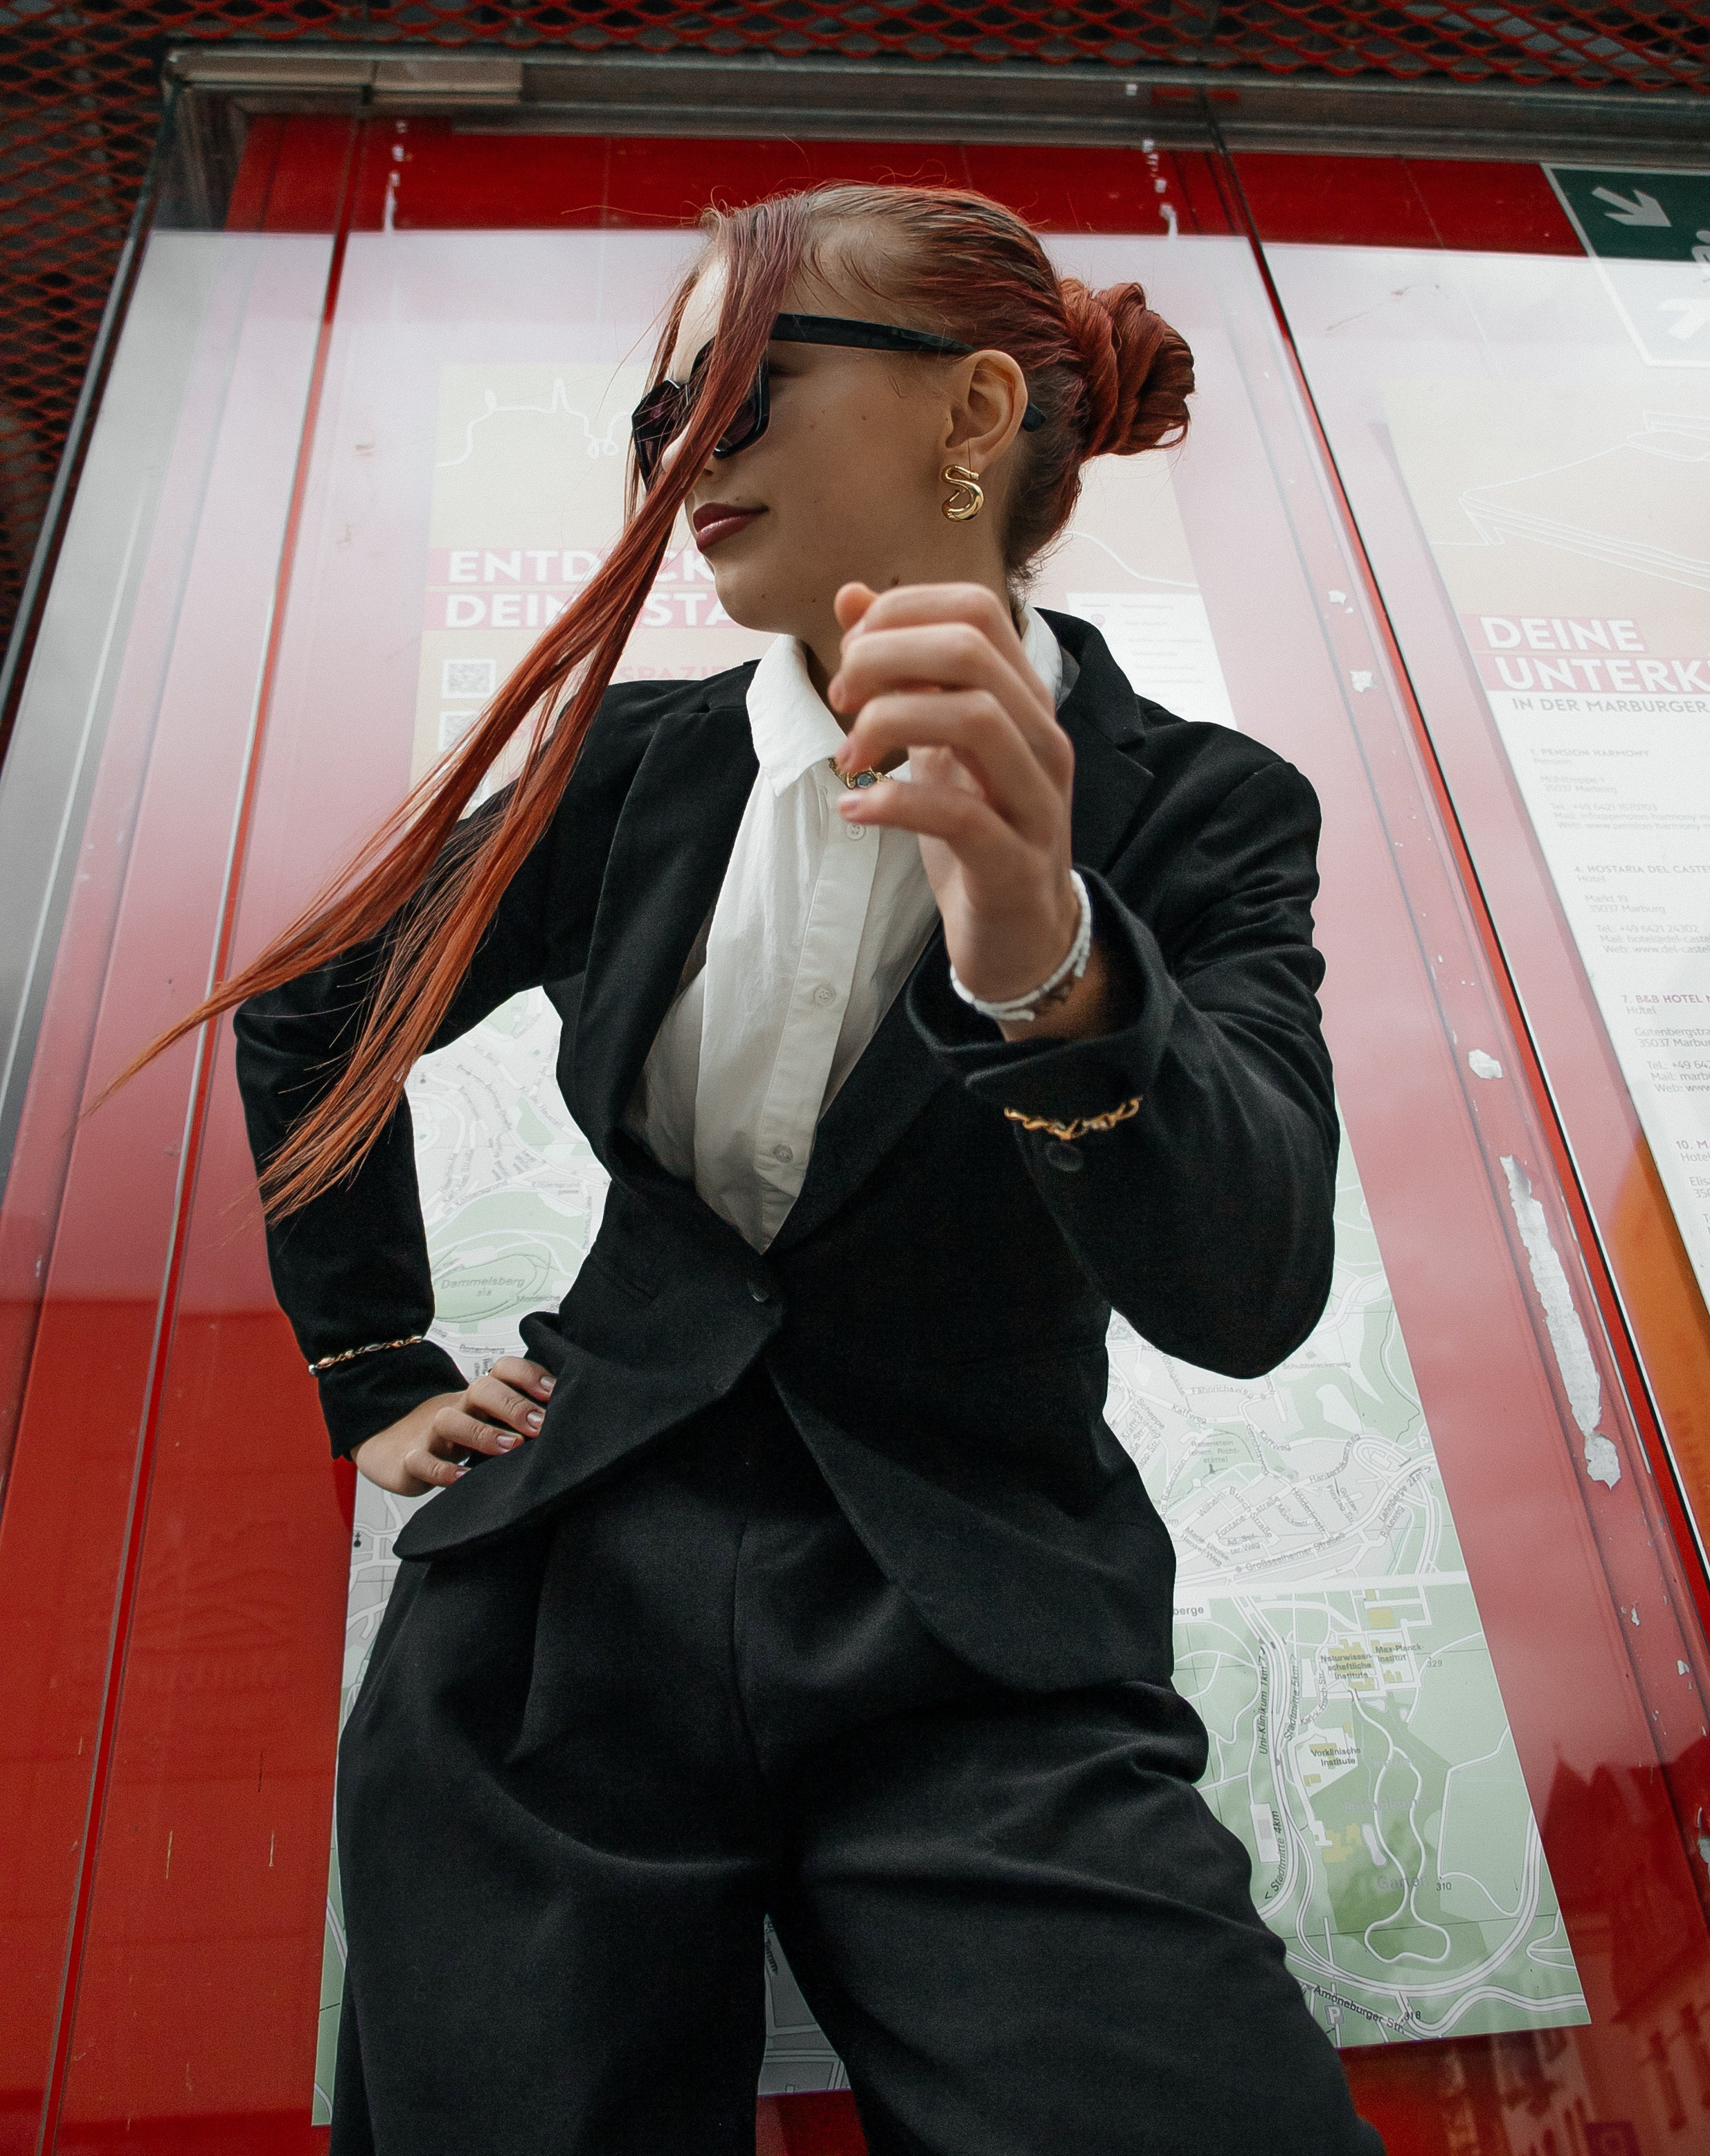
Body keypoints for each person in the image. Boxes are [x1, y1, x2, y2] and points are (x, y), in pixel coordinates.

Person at [154, 183, 1383, 2154]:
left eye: (734, 393)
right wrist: (370, 1359)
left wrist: (1049, 959)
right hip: (566, 1596)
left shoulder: (1205, 810)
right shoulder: (628, 766)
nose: (679, 460)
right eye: (656, 416)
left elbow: (1247, 1293)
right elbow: (315, 1006)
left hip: (984, 1622)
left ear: (972, 410)